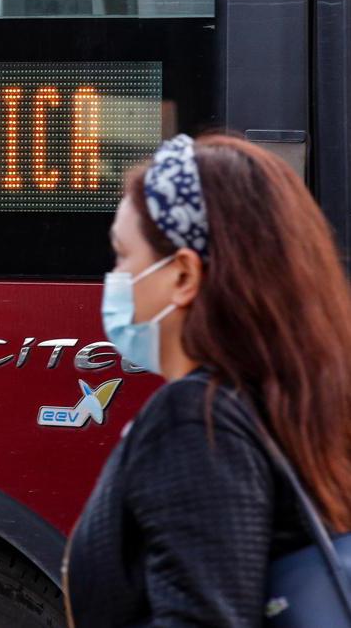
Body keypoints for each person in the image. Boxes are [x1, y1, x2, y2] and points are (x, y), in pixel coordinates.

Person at [62, 134, 351, 626]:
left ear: (183, 275)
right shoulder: (299, 402)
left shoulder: (194, 419)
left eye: (122, 256)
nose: (115, 277)